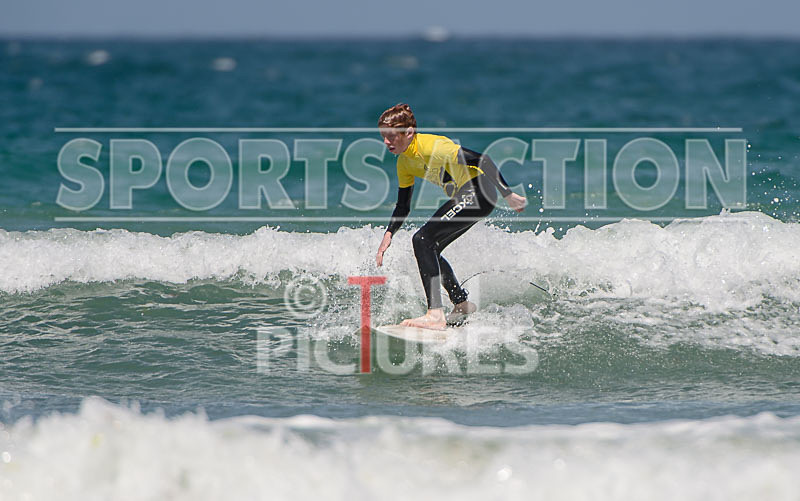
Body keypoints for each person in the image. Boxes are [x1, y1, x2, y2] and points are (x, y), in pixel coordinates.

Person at [375, 103, 527, 330]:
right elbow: (403, 205)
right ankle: (461, 303)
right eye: (383, 137)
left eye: (391, 136)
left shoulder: (432, 147)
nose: (386, 142)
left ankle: (435, 314)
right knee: (430, 246)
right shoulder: (404, 163)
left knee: (422, 239)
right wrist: (389, 233)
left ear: (408, 133)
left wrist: (508, 194)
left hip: (478, 191)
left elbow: (482, 160)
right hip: (469, 195)